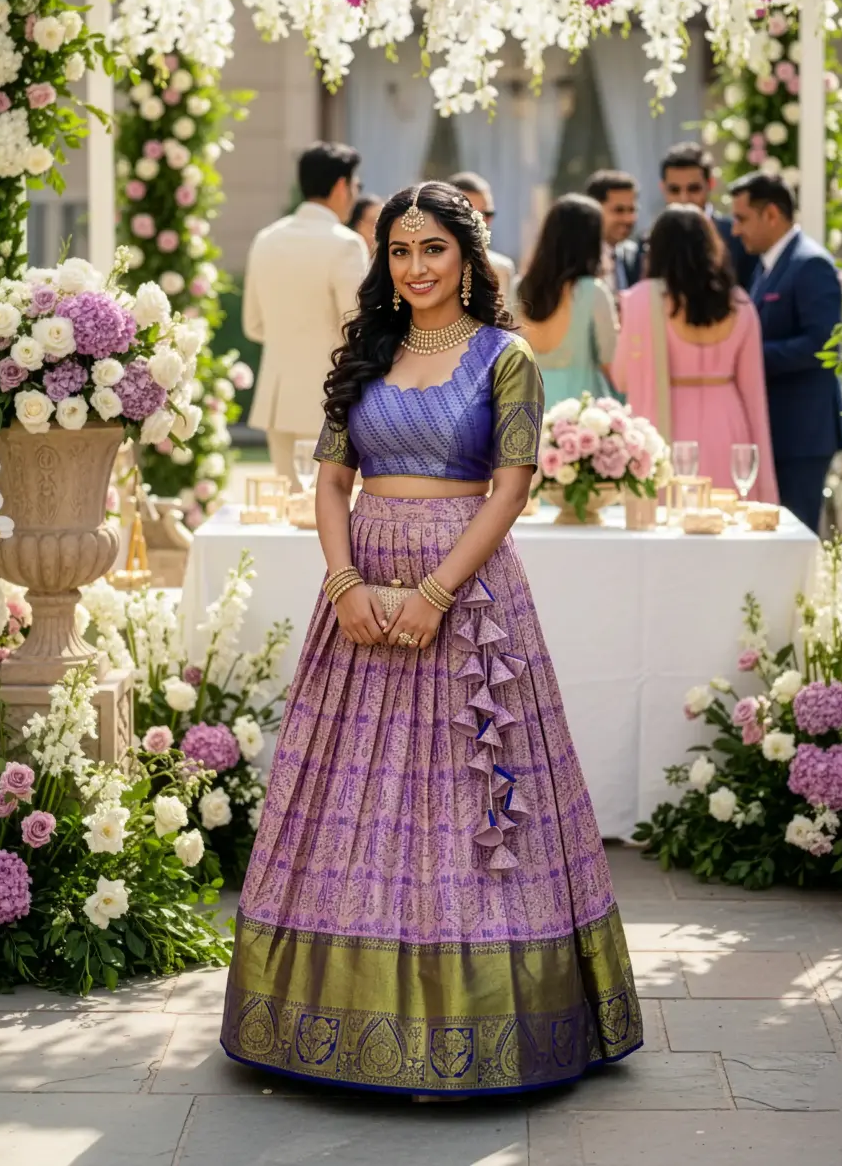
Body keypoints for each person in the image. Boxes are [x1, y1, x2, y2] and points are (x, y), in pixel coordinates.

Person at [221, 181, 643, 1098]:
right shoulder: (366, 352)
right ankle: (330, 1023)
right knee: (352, 794)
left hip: (469, 592)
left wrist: (436, 592)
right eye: (399, 252)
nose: (414, 268)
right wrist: (343, 584)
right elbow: (332, 482)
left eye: (433, 251)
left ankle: (486, 1022)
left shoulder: (505, 357)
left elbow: (512, 486)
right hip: (362, 593)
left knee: (469, 795)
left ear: (468, 257)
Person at [613, 204, 778, 504]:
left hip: (666, 429)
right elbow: (754, 393)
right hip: (729, 425)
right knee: (724, 526)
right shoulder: (739, 302)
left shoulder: (641, 300)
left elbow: (622, 378)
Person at [243, 142, 369, 489]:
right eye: (355, 185)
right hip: (331, 400)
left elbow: (253, 325)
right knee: (334, 516)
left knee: (290, 512)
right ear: (342, 186)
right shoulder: (345, 243)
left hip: (277, 400)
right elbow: (358, 327)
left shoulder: (266, 239)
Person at [729, 171, 842, 533]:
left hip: (803, 433)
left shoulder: (810, 263)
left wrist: (749, 359)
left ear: (772, 215)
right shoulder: (768, 265)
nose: (735, 230)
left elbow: (823, 346)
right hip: (780, 429)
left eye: (741, 218)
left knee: (798, 536)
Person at [516, 193, 618, 404]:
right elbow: (610, 360)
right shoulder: (593, 291)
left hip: (529, 406)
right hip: (582, 414)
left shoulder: (518, 287)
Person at [659, 142, 757, 289]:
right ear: (662, 188)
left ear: (710, 184)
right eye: (674, 190)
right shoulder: (650, 243)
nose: (684, 199)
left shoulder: (738, 237)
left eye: (694, 189)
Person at [448, 170, 516, 304]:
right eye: (471, 214)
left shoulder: (502, 269)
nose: (481, 222)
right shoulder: (428, 267)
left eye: (487, 213)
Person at [586, 170, 641, 299]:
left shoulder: (634, 254)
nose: (627, 219)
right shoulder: (580, 260)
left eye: (632, 210)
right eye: (619, 210)